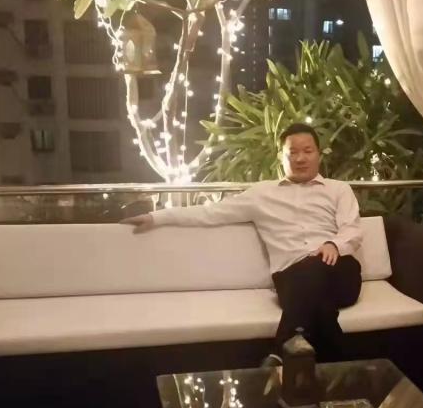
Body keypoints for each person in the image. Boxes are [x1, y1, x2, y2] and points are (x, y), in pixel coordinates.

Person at [121, 123, 363, 362]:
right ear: (281, 157)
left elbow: (352, 229)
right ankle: (345, 373)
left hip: (338, 270)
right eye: (293, 152)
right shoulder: (261, 194)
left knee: (313, 272)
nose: (300, 158)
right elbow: (210, 213)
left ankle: (278, 357)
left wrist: (333, 245)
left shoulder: (338, 190)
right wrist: (157, 217)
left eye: (307, 151)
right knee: (319, 307)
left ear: (319, 154)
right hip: (291, 278)